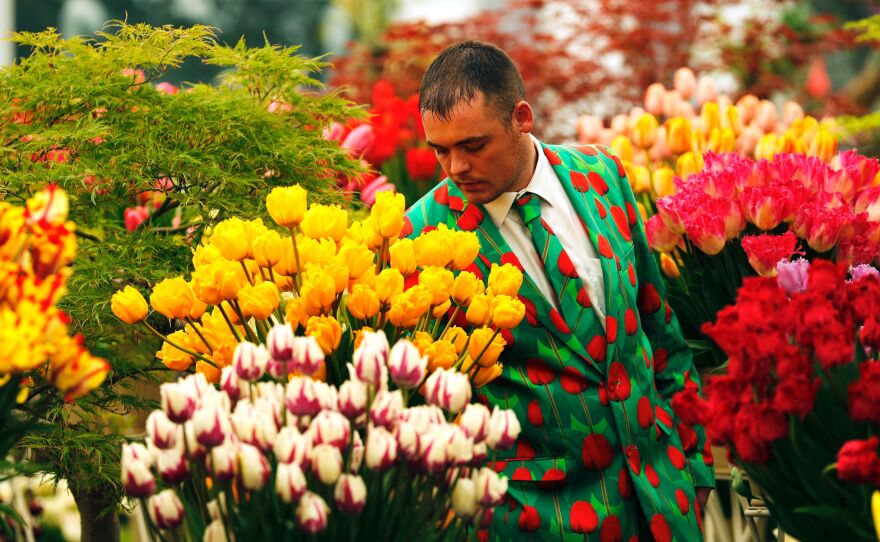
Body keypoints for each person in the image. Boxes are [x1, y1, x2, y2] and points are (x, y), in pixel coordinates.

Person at [404, 41, 715, 540]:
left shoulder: (603, 176)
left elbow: (659, 329)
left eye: (473, 145)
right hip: (534, 520)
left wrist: (695, 466)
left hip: (664, 503)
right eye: (441, 150)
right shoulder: (421, 236)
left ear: (521, 117)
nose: (456, 167)